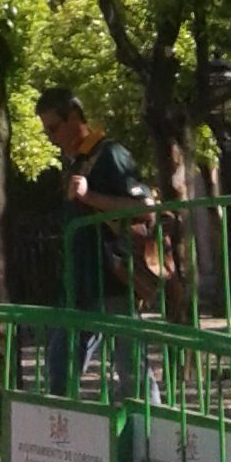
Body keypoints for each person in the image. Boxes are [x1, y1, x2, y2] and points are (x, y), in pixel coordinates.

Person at [36, 87, 157, 401]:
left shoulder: (110, 154)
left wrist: (90, 197)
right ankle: (64, 427)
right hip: (78, 283)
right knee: (60, 369)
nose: (51, 138)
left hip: (112, 280)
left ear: (74, 117)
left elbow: (145, 207)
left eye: (53, 128)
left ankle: (147, 427)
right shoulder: (73, 161)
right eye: (46, 131)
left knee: (132, 372)